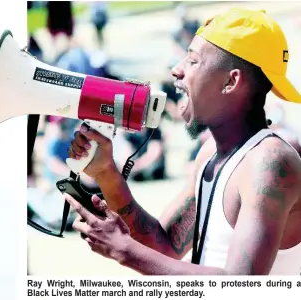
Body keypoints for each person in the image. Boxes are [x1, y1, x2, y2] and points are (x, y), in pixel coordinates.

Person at [65, 8, 301, 275]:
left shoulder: (269, 163)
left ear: (230, 81)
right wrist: (106, 174)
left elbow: (240, 286)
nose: (176, 70)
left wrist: (124, 249)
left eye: (192, 61)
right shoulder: (211, 152)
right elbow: (164, 246)